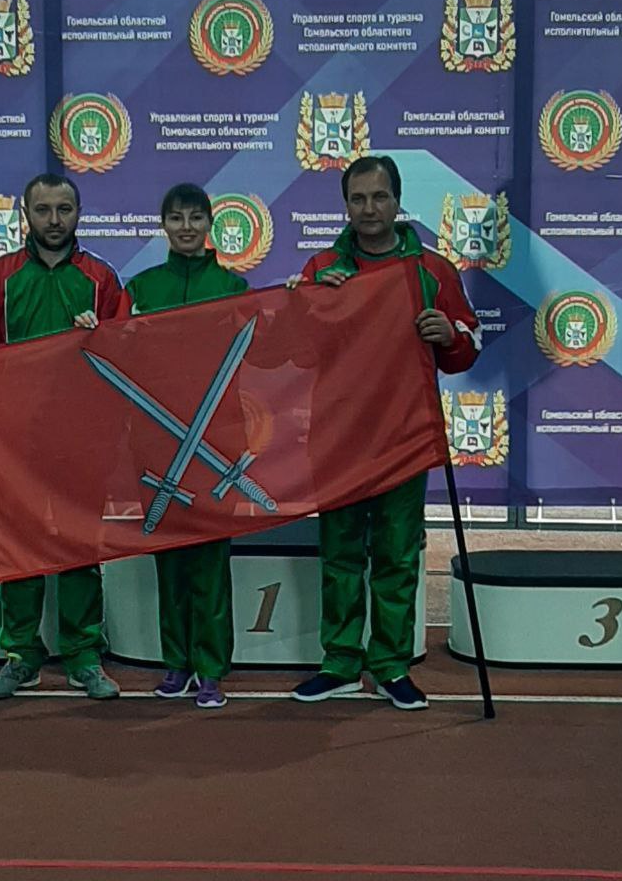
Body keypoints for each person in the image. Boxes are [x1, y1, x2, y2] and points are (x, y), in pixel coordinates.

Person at [290, 155, 481, 711]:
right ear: (345, 205)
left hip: (404, 435)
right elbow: (297, 354)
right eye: (358, 199)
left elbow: (464, 352)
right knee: (341, 555)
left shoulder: (431, 269)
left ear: (397, 201)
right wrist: (308, 304)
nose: (369, 208)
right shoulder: (322, 266)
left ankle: (392, 665)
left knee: (397, 555)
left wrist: (449, 334)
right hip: (339, 437)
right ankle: (340, 663)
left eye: (379, 197)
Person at [0, 173, 124, 702]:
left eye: (64, 209)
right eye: (43, 209)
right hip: (18, 440)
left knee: (81, 543)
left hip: (83, 437)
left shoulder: (102, 279)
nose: (54, 220)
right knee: (20, 546)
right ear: (26, 214)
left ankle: (84, 654)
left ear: (79, 213)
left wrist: (100, 339)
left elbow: (122, 359)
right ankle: (20, 654)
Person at [119, 183, 249, 710]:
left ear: (210, 224)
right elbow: (118, 351)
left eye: (196, 218)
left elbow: (263, 352)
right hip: (158, 443)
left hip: (216, 442)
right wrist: (93, 330)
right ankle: (176, 661)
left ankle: (211, 668)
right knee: (169, 557)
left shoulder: (235, 287)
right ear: (164, 225)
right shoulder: (141, 288)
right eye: (176, 218)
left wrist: (290, 304)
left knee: (211, 560)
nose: (187, 227)